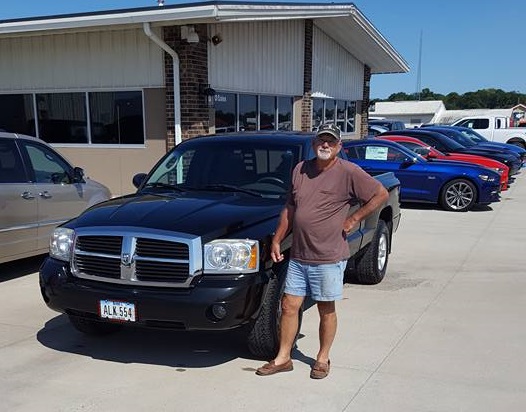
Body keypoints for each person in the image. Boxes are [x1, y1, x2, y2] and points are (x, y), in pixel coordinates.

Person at [255, 123, 389, 379]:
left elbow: (380, 194)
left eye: (330, 141)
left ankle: (322, 358)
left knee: (325, 308)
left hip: (328, 257)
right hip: (298, 255)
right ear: (314, 144)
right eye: (321, 141)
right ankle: (283, 357)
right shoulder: (300, 170)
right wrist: (277, 238)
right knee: (289, 305)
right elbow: (290, 208)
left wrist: (353, 219)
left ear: (339, 146)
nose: (325, 145)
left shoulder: (349, 172)